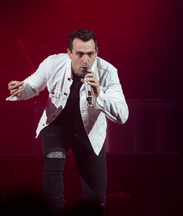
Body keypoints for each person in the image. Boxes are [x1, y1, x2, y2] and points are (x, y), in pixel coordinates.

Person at [7, 29, 129, 215]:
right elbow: (31, 86)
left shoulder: (107, 72)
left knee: (96, 199)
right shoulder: (52, 63)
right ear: (69, 53)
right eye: (79, 54)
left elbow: (122, 115)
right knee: (54, 161)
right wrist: (20, 90)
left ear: (96, 52)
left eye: (90, 54)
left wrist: (99, 94)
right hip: (57, 125)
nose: (85, 60)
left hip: (89, 132)